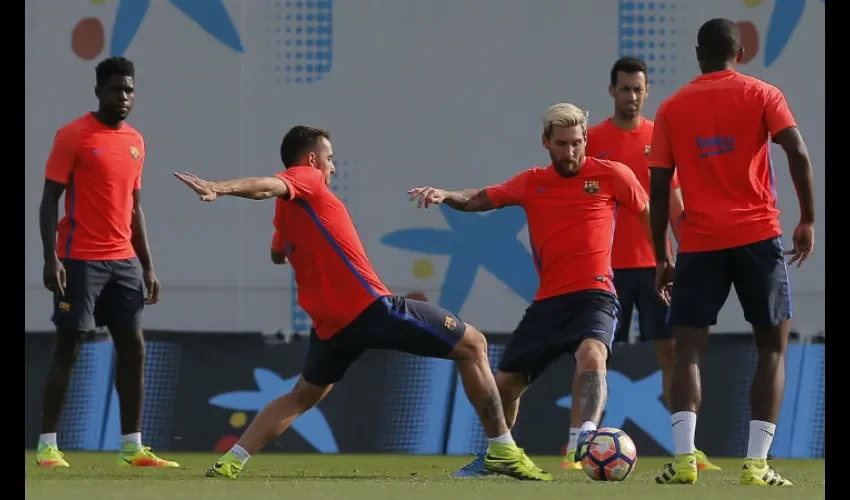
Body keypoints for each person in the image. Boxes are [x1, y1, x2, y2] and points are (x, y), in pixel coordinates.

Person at [174, 125, 552, 481]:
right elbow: (265, 186)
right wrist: (219, 188)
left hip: (331, 327)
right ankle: (502, 449)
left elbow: (277, 252)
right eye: (330, 158)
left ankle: (232, 460)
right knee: (473, 344)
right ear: (311, 160)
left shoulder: (286, 212)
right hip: (369, 308)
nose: (333, 168)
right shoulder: (308, 180)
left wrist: (296, 250)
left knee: (303, 395)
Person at [408, 102, 650, 478]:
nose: (570, 152)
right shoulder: (531, 182)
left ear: (586, 140)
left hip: (596, 294)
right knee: (503, 387)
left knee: (592, 354)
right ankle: (499, 454)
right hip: (548, 302)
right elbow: (478, 199)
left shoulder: (612, 174)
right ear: (545, 142)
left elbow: (648, 212)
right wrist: (445, 194)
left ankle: (585, 437)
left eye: (577, 143)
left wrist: (665, 263)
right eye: (562, 144)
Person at [648, 18, 815, 486]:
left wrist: (662, 255)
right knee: (772, 349)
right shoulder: (763, 94)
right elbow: (798, 152)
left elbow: (658, 187)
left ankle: (684, 460)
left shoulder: (672, 107)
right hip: (759, 237)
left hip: (699, 243)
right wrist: (807, 218)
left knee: (688, 350)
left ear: (698, 54)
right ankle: (757, 465)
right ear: (739, 54)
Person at [561, 57, 720, 472]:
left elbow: (675, 203)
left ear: (647, 92)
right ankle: (575, 447)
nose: (631, 96)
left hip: (655, 267)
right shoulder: (591, 140)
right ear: (611, 91)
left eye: (638, 89)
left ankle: (685, 447)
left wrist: (689, 256)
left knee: (671, 352)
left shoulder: (659, 137)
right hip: (603, 270)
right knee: (592, 356)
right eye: (625, 88)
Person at [36, 57, 177, 468]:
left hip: (124, 262)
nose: (124, 97)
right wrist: (51, 257)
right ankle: (47, 446)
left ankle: (132, 447)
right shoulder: (73, 135)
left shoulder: (136, 140)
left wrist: (147, 265)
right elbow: (49, 200)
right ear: (99, 91)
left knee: (134, 349)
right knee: (69, 347)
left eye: (129, 90)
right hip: (79, 260)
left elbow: (134, 207)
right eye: (116, 89)